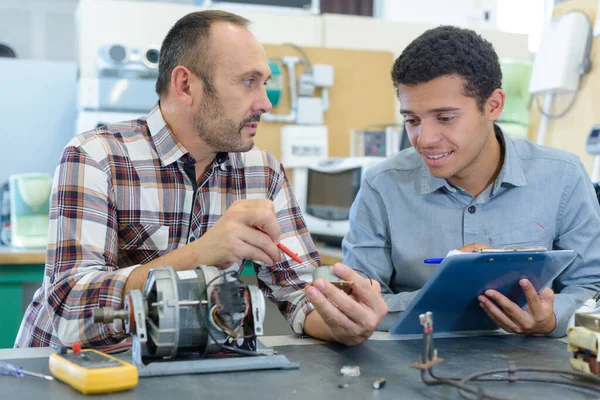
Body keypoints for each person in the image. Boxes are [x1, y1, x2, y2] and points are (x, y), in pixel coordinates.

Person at [16, 10, 387, 348]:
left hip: (180, 370)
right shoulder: (97, 157)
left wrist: (342, 318)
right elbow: (70, 314)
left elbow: (299, 293)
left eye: (265, 83)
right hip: (70, 373)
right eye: (248, 82)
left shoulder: (262, 171)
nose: (266, 102)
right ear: (186, 86)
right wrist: (200, 254)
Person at [343, 26, 600, 337]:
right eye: (411, 120)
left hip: (534, 369)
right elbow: (358, 303)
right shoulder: (381, 186)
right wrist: (448, 292)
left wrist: (550, 318)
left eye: (446, 118)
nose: (425, 139)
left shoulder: (564, 176)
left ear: (493, 106)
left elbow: (591, 287)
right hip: (411, 368)